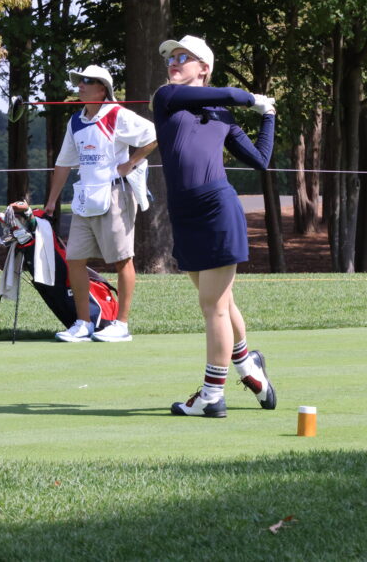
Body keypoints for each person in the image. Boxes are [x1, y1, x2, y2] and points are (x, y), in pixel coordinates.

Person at [151, 35, 278, 417]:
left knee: (213, 307)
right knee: (221, 303)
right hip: (184, 214)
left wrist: (268, 117)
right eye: (171, 57)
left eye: (183, 57)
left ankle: (211, 395)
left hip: (217, 208)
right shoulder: (167, 97)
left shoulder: (222, 116)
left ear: (203, 68)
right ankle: (249, 369)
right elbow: (232, 96)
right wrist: (254, 99)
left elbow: (260, 160)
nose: (174, 62)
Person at [45, 65, 157, 343]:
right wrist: (51, 202)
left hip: (116, 195)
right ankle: (83, 324)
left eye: (86, 81)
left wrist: (130, 164)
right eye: (79, 81)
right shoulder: (76, 122)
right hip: (85, 198)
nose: (80, 86)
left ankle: (121, 324)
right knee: (74, 260)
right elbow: (63, 163)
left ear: (102, 89)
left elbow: (154, 135)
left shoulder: (117, 115)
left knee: (122, 260)